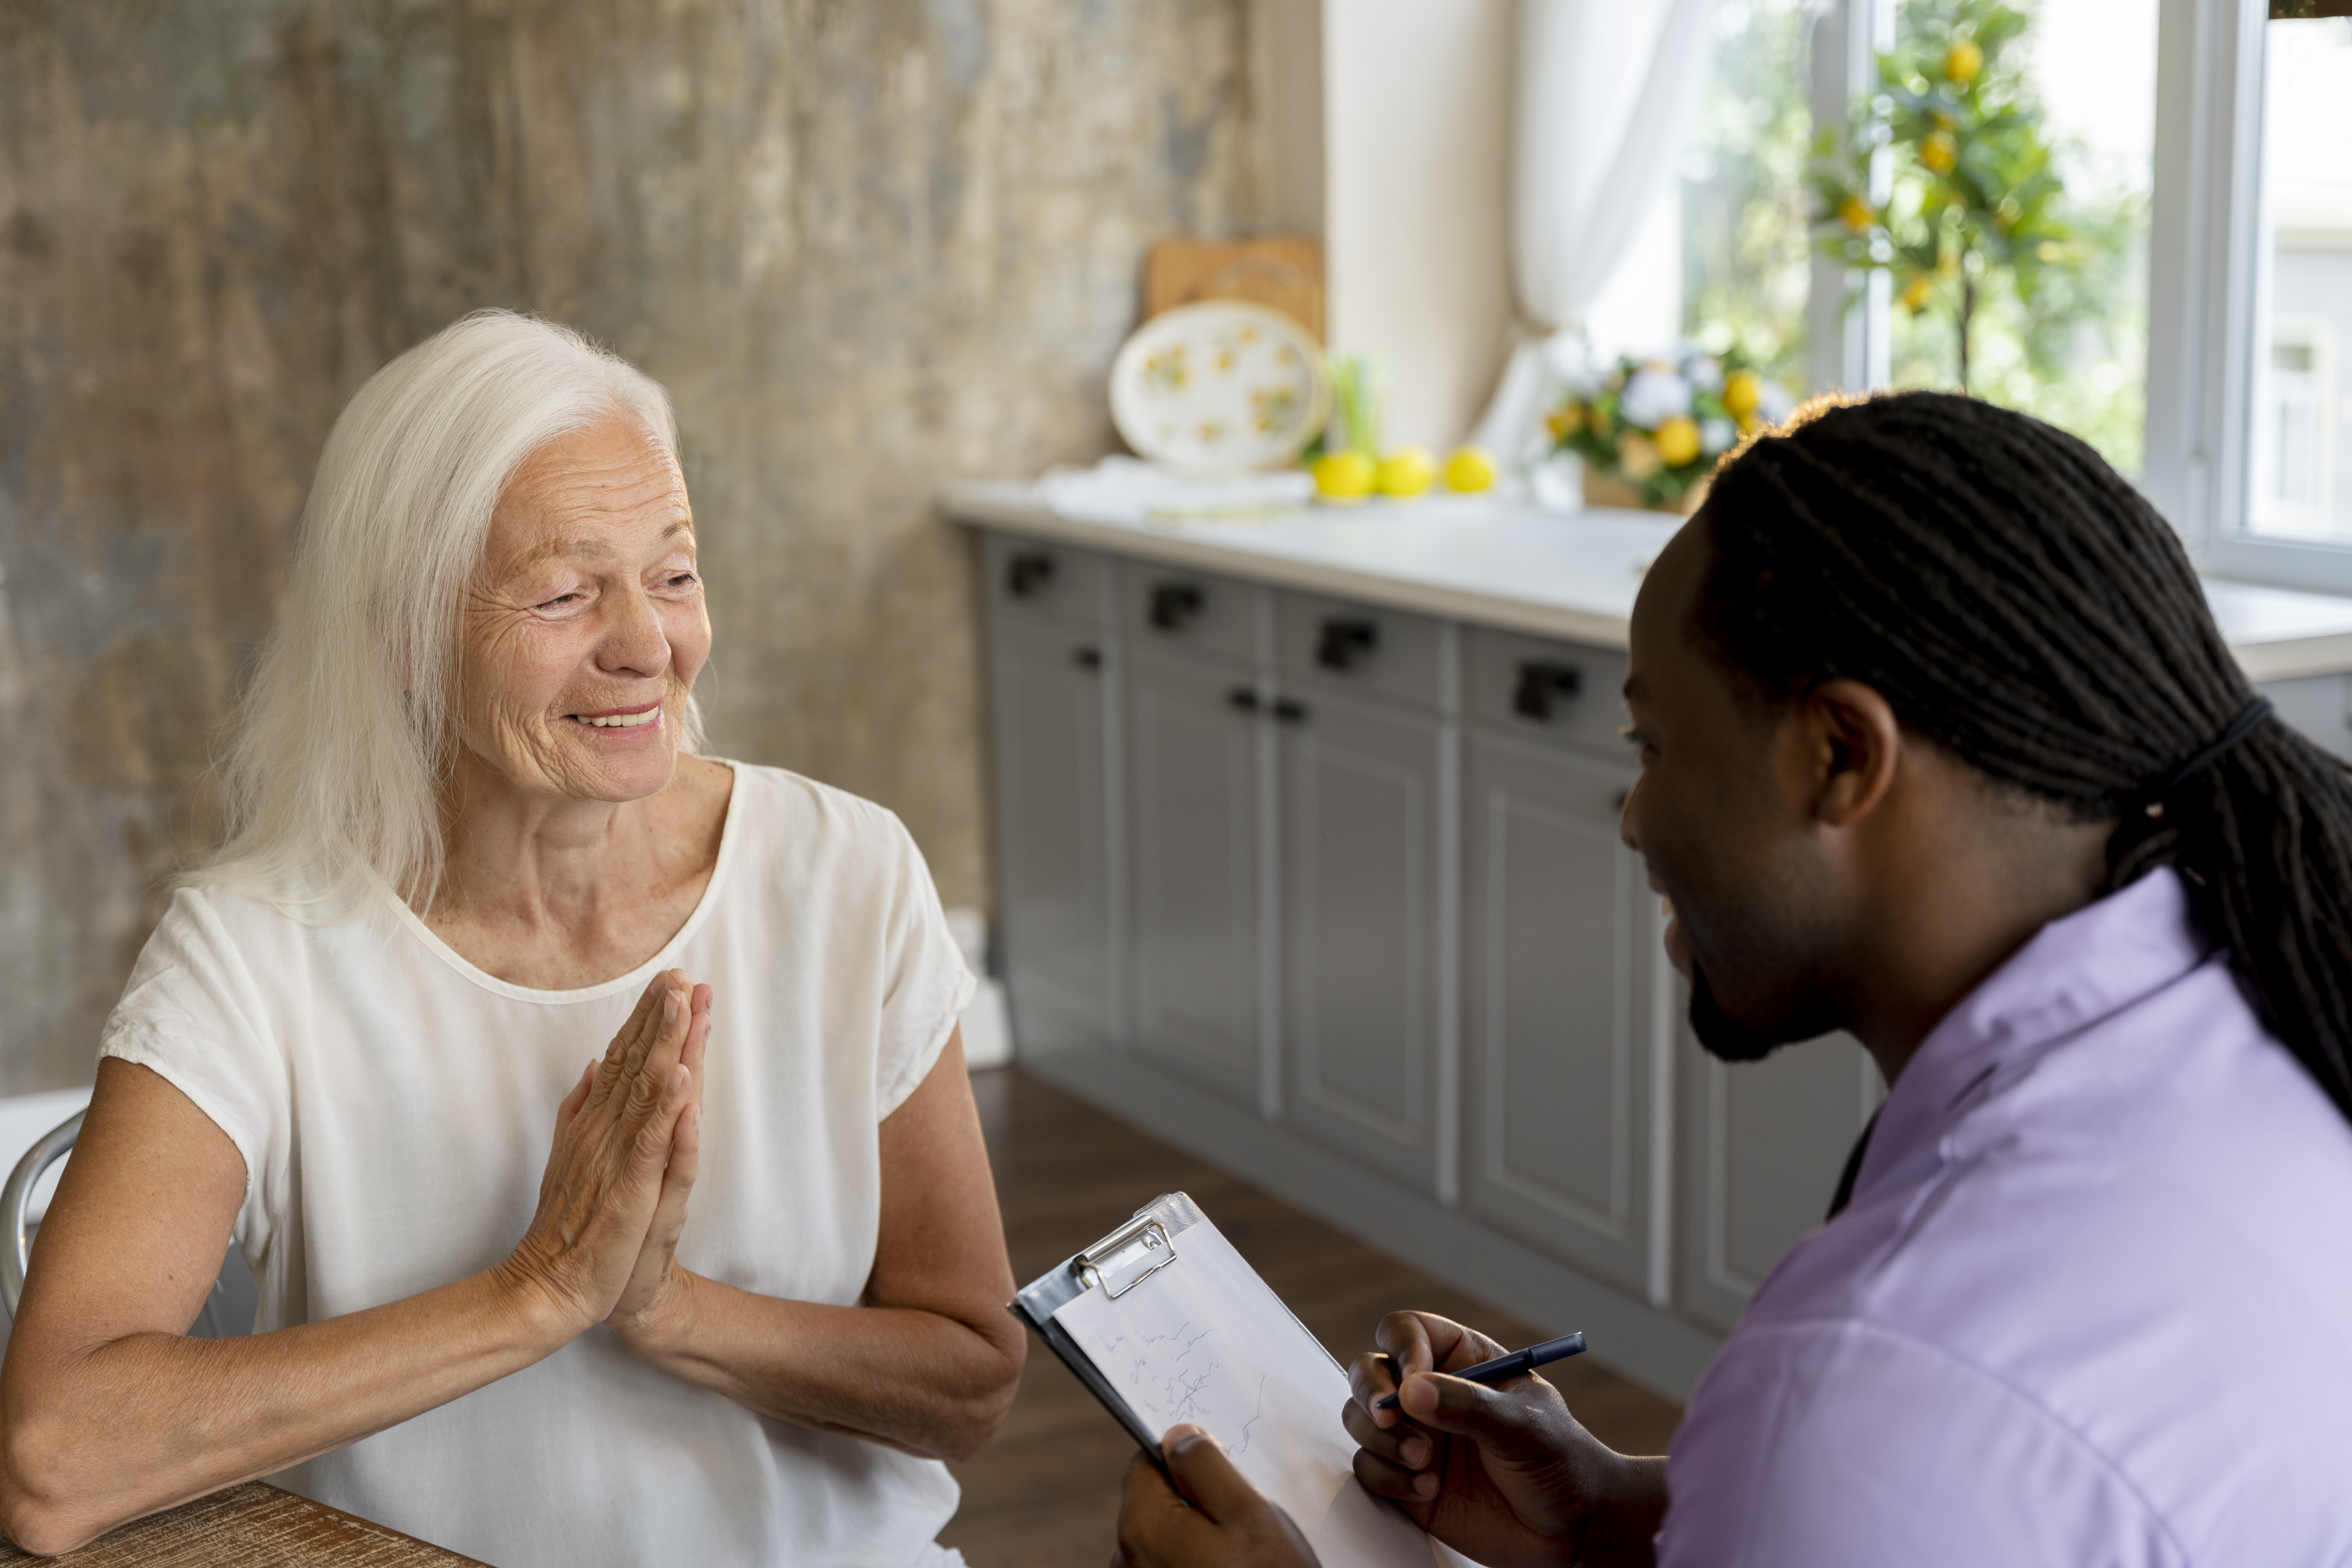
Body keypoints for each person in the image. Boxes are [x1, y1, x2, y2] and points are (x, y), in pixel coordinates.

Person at [1109, 392, 2352, 1567]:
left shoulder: (1881, 1386)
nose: (1634, 818)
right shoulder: (2273, 999)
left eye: (1654, 744)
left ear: (1839, 755)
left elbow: (1907, 1469)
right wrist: (1618, 1518)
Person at [0, 311, 1024, 1567]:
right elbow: (53, 1459)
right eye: (561, 593)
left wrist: (664, 1306)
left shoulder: (847, 872)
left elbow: (971, 1378)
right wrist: (537, 1290)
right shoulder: (254, 952)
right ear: (404, 637)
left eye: (675, 572)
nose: (649, 647)